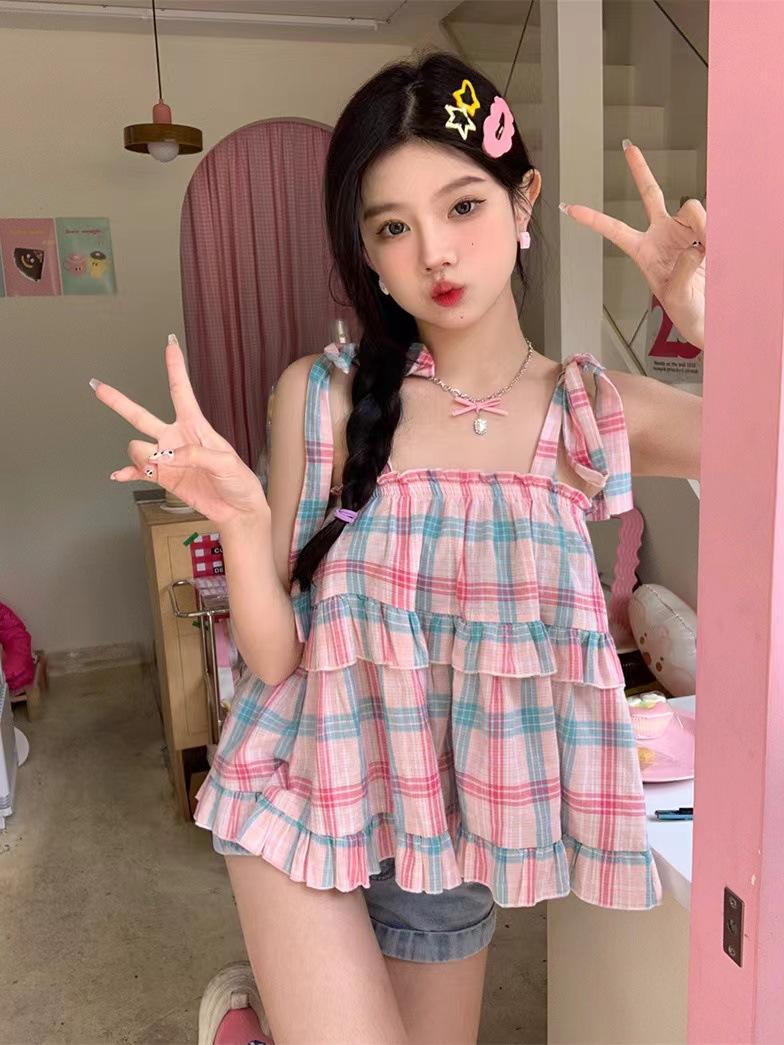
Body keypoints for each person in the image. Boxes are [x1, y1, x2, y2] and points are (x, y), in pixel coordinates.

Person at [91, 48, 705, 1045]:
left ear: (523, 201)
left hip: (448, 838)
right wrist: (241, 522)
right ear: (368, 255)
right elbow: (276, 659)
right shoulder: (322, 397)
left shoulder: (592, 411)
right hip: (301, 790)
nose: (435, 254)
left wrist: (716, 325)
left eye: (462, 206)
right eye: (392, 227)